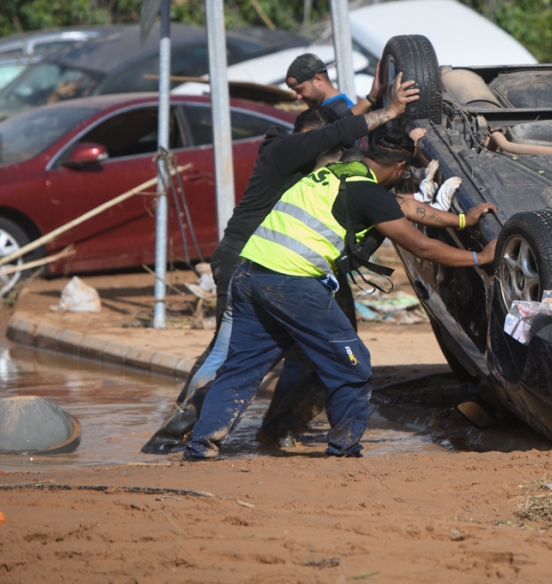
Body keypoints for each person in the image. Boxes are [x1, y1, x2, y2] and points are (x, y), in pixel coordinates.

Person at [140, 74, 419, 454]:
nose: (339, 157)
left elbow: (345, 139)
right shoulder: (287, 150)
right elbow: (336, 135)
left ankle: (248, 434)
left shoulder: (317, 165)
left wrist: (375, 104)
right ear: (312, 140)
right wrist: (388, 110)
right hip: (258, 262)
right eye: (332, 148)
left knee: (281, 357)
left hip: (272, 266)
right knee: (235, 354)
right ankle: (175, 436)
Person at [183, 128, 497, 460]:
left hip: (249, 276)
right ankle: (344, 448)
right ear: (401, 166)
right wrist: (480, 258)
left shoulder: (335, 172)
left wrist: (461, 220)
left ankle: (200, 446)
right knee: (352, 365)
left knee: (241, 369)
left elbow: (401, 206)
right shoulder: (369, 193)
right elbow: (421, 246)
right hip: (292, 284)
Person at [286, 52, 381, 118]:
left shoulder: (342, 110)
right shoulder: (324, 109)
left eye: (300, 90)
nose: (298, 97)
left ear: (318, 79)